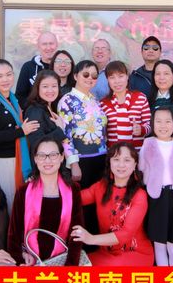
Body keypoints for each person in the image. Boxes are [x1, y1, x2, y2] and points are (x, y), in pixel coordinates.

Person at [70, 142, 154, 266]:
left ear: (135, 164)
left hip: (135, 253)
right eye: (116, 159)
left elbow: (126, 234)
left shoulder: (140, 195)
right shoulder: (100, 187)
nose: (121, 165)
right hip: (106, 253)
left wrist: (90, 239)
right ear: (110, 162)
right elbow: (74, 199)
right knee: (75, 264)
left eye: (127, 160)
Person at [7, 136, 84, 265]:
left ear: (61, 157)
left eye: (53, 155)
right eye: (42, 155)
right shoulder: (23, 191)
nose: (47, 160)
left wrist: (70, 265)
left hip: (62, 260)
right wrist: (20, 258)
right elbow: (13, 234)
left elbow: (77, 232)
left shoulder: (73, 190)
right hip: (30, 261)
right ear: (35, 159)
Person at [0, 59, 39, 212]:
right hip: (2, 160)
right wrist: (21, 131)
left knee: (19, 201)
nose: (5, 79)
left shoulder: (15, 100)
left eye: (8, 74)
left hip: (20, 158)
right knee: (8, 202)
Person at [138, 107, 173, 266]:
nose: (163, 125)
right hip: (156, 198)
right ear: (152, 124)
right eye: (158, 121)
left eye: (168, 121)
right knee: (159, 244)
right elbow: (142, 167)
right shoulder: (148, 143)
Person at [58, 60, 107, 189]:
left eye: (94, 76)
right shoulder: (67, 100)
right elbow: (65, 135)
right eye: (85, 74)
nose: (90, 78)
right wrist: (73, 163)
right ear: (75, 76)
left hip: (101, 158)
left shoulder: (95, 100)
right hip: (81, 160)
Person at [24, 70, 79, 177]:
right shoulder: (34, 111)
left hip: (54, 166)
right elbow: (36, 143)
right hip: (44, 170)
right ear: (37, 88)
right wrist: (60, 130)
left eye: (54, 86)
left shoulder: (51, 107)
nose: (50, 90)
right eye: (45, 86)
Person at [100, 61, 151, 150]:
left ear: (127, 76)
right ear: (107, 80)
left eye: (121, 76)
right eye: (112, 77)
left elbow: (149, 125)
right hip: (114, 154)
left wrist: (141, 129)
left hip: (137, 153)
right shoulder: (103, 103)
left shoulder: (140, 98)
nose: (117, 81)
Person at [15, 32, 58, 106]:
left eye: (51, 43)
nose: (48, 48)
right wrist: (35, 109)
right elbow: (20, 96)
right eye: (44, 44)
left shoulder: (63, 68)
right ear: (38, 46)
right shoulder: (28, 67)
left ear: (57, 45)